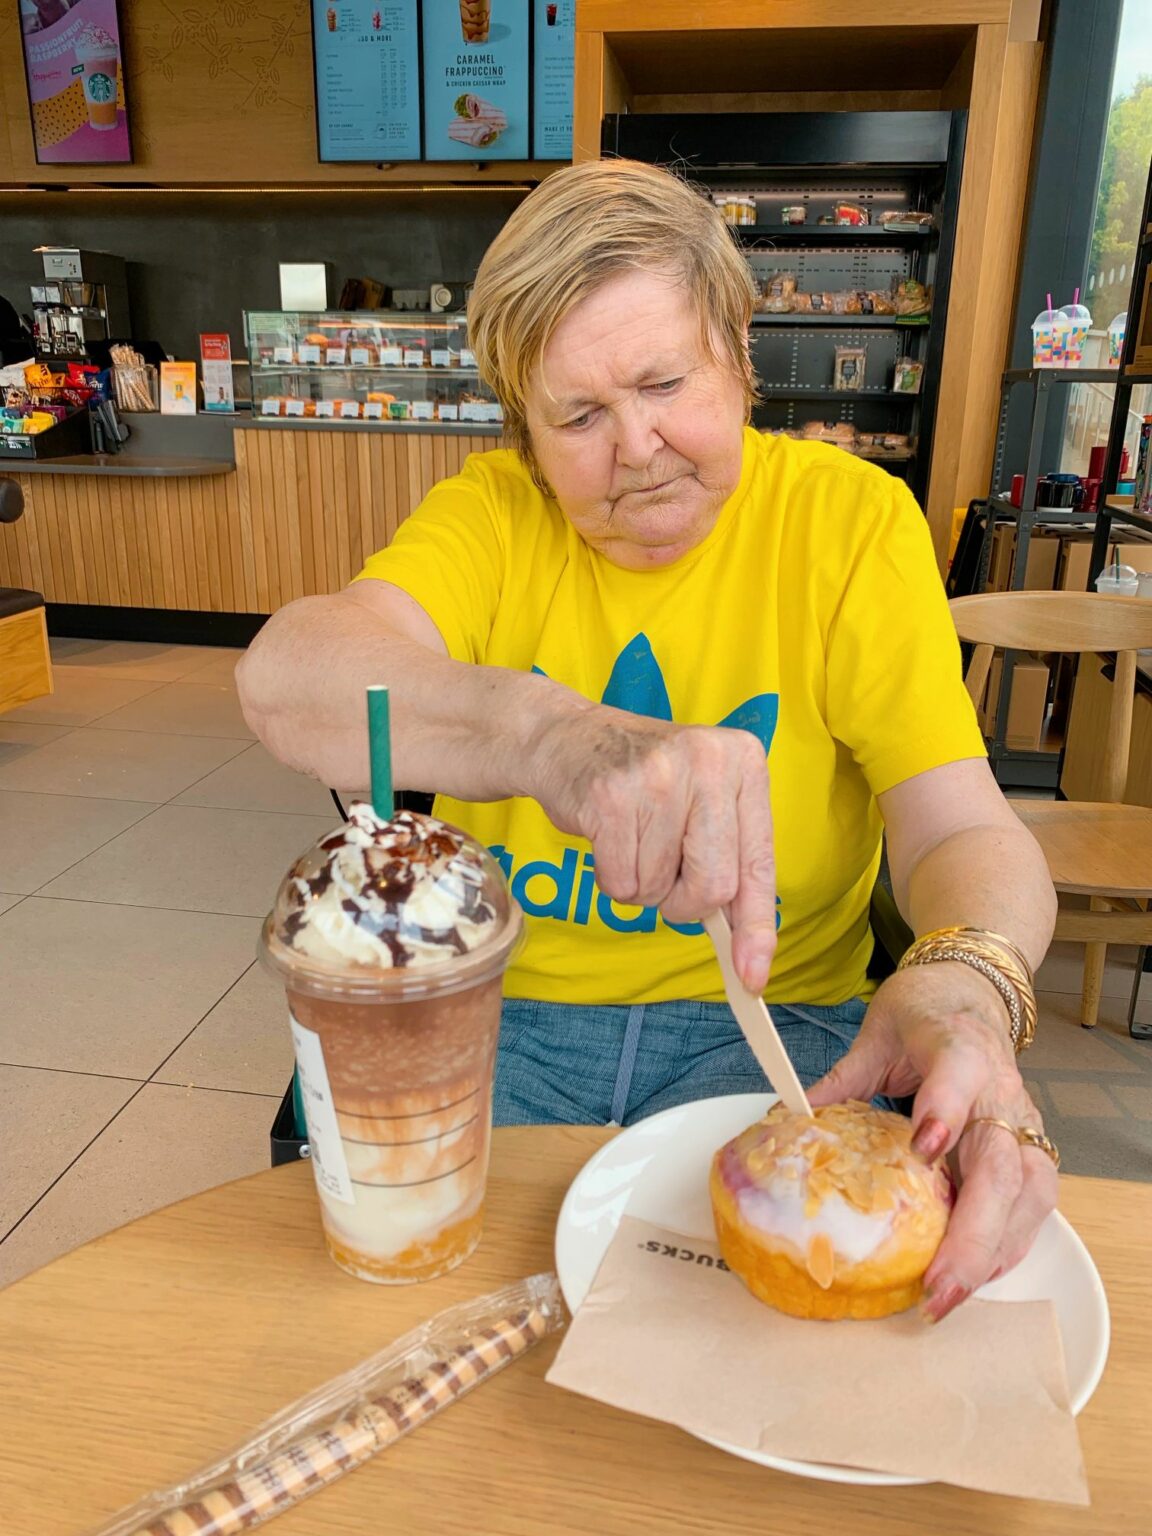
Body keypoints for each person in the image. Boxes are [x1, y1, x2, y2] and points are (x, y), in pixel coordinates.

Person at [238, 160, 1059, 1321]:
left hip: (778, 1027)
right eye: (578, 416)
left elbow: (962, 826)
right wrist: (552, 738)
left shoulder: (849, 522)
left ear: (738, 351)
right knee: (397, 1316)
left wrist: (969, 982)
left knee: (803, 1315)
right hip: (505, 1022)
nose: (637, 445)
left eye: (665, 383)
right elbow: (284, 679)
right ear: (526, 433)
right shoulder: (493, 515)